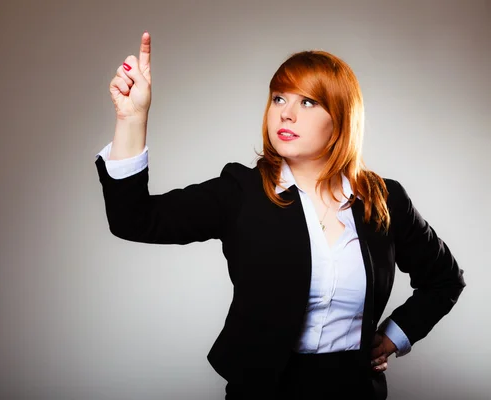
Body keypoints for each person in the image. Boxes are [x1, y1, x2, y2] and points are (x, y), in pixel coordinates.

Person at [95, 31, 465, 400]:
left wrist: (394, 337)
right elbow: (134, 219)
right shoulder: (240, 192)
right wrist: (132, 118)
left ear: (341, 118)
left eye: (307, 102)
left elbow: (444, 280)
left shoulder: (383, 199)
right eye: (278, 98)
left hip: (354, 391)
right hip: (265, 393)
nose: (285, 112)